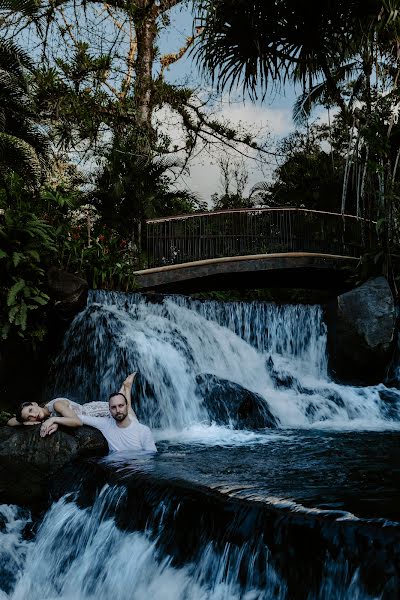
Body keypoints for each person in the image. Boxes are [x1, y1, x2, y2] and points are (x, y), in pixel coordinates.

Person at [8, 373, 157, 453]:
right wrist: (25, 421)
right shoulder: (42, 412)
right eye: (30, 416)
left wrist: (53, 421)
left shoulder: (57, 405)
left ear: (34, 403)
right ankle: (124, 389)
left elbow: (77, 421)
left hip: (95, 411)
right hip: (88, 414)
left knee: (131, 419)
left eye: (31, 410)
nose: (34, 415)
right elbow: (11, 421)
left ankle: (126, 388)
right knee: (124, 410)